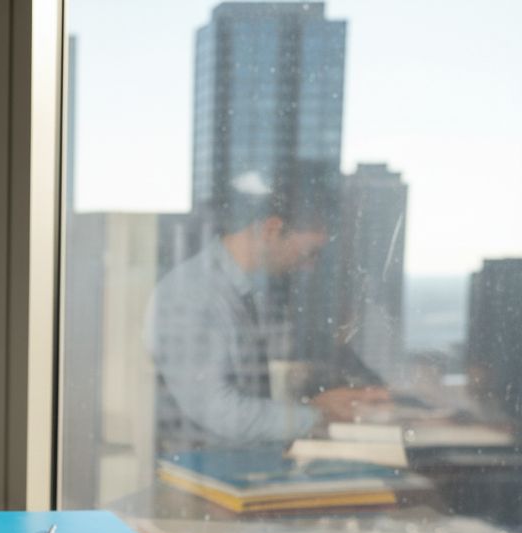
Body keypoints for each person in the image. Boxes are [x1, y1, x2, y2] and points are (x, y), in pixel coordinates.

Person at [145, 172, 390, 453]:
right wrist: (316, 415)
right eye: (309, 252)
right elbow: (217, 411)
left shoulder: (247, 291)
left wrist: (351, 392)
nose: (309, 266)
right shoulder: (189, 293)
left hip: (235, 467)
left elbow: (305, 349)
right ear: (272, 230)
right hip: (202, 473)